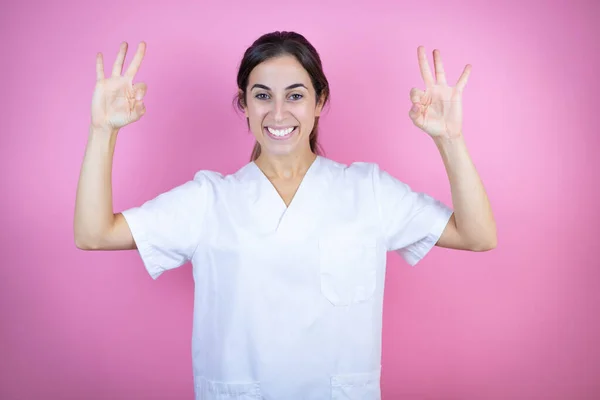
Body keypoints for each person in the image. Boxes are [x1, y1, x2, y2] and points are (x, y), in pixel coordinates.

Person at [74, 31, 496, 400]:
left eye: (295, 95)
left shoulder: (369, 190)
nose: (278, 113)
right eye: (262, 96)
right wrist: (102, 130)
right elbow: (93, 234)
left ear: (319, 102)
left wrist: (450, 140)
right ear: (244, 104)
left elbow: (478, 235)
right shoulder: (208, 200)